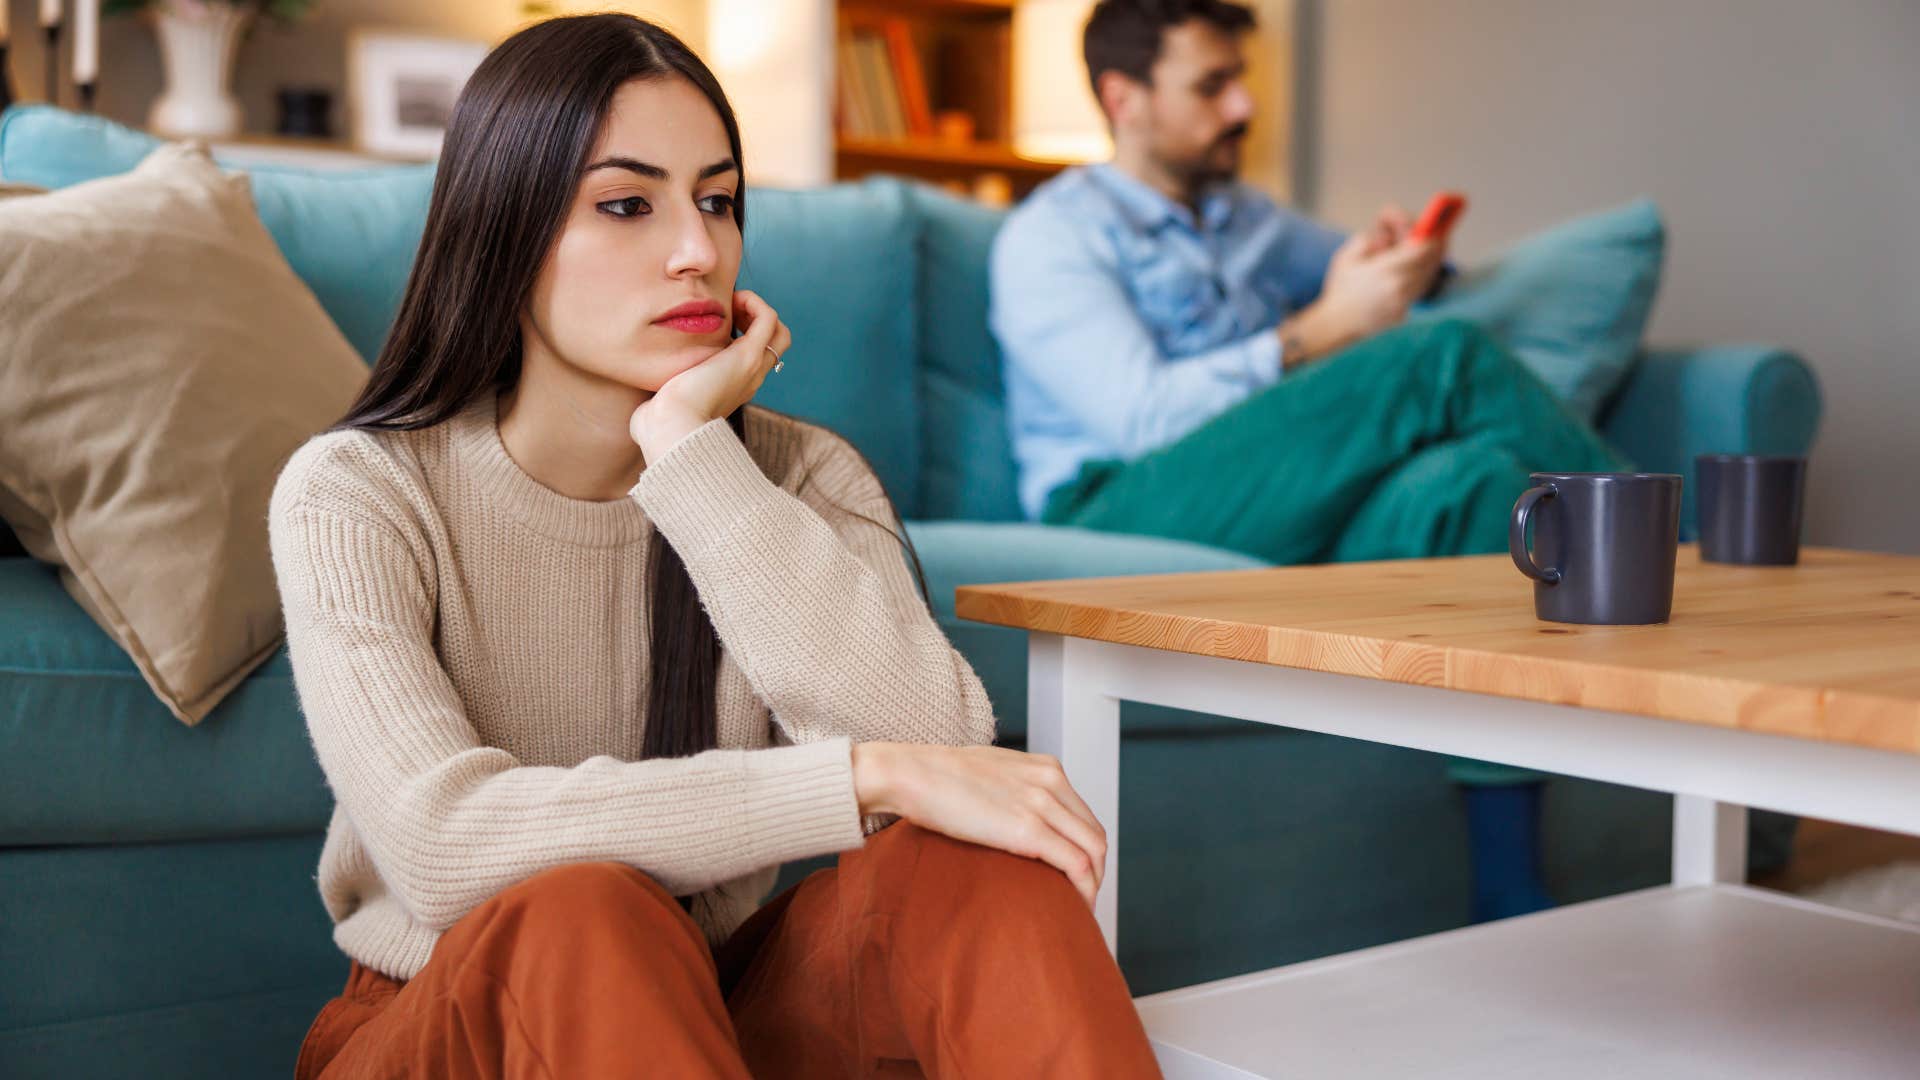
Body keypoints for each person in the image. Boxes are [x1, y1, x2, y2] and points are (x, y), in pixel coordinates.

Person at [271, 14, 1161, 1078]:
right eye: (626, 204)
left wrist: (690, 457)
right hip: (447, 1026)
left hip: (700, 1012)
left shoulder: (799, 475)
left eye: (718, 200)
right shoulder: (360, 489)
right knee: (587, 909)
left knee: (974, 862)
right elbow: (443, 846)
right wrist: (866, 777)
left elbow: (945, 749)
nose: (697, 250)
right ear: (504, 229)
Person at [988, 0, 1630, 922]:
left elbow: (1360, 273)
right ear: (1123, 96)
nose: (1243, 106)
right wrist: (1326, 329)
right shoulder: (1052, 236)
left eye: (1239, 80)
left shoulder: (1247, 218)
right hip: (1122, 507)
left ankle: (1510, 888)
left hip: (1277, 503)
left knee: (1474, 485)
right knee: (1438, 358)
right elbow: (1139, 418)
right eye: (1211, 85)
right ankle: (1689, 561)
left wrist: (1401, 263)